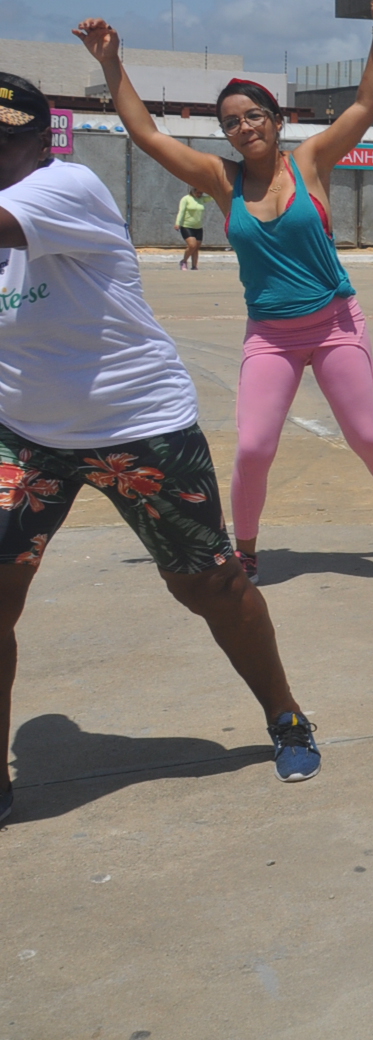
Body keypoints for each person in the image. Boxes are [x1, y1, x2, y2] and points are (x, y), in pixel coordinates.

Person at [0, 73, 321, 825]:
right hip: (27, 437)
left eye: (2, 141)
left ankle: (285, 715)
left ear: (38, 143)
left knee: (209, 587)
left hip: (138, 426)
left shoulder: (64, 186)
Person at [73, 4, 373, 577]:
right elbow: (146, 134)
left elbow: (366, 104)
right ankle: (244, 552)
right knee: (252, 448)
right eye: (231, 123)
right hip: (270, 336)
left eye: (253, 116)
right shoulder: (221, 181)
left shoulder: (312, 162)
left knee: (366, 435)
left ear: (275, 121)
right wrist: (111, 63)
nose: (244, 128)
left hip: (335, 324)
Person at [175, 188, 206, 270]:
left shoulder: (202, 199)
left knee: (196, 247)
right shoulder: (186, 199)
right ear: (193, 191)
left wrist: (208, 188)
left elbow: (213, 196)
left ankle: (194, 266)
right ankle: (184, 261)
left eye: (201, 193)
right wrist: (177, 222)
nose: (199, 194)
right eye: (198, 192)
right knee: (192, 245)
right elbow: (181, 211)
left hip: (198, 227)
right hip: (187, 226)